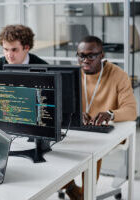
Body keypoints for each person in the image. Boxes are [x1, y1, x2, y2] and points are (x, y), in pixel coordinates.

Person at [64, 36, 137, 200]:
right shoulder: (72, 73)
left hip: (110, 129)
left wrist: (111, 114)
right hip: (81, 129)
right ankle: (72, 188)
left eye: (91, 55)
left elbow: (131, 111)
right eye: (81, 55)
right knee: (53, 146)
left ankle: (84, 194)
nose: (85, 60)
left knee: (91, 149)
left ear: (102, 55)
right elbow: (62, 104)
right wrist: (75, 113)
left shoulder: (118, 75)